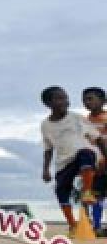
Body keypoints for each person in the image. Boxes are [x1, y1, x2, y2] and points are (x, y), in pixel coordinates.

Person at [40, 86, 107, 232]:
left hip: (89, 159)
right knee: (61, 191)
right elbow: (48, 148)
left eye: (66, 97)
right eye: (60, 98)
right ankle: (74, 224)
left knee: (86, 154)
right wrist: (45, 169)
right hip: (65, 162)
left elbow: (99, 139)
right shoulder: (46, 125)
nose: (66, 101)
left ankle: (93, 215)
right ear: (48, 103)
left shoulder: (77, 118)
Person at [84, 87, 107, 232]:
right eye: (85, 99)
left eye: (90, 99)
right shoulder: (84, 122)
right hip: (95, 167)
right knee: (97, 196)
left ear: (103, 101)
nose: (87, 102)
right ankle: (96, 226)